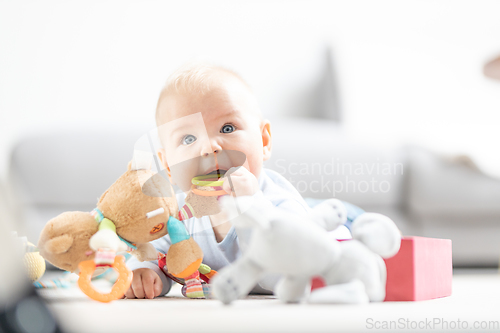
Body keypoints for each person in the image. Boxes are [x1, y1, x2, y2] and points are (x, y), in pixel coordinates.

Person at [124, 64, 321, 299]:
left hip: (323, 217)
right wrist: (146, 273)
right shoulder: (177, 218)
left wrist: (252, 207)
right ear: (168, 166)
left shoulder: (281, 205)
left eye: (227, 128)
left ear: (264, 141)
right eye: (188, 138)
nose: (209, 147)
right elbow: (154, 254)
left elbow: (294, 270)